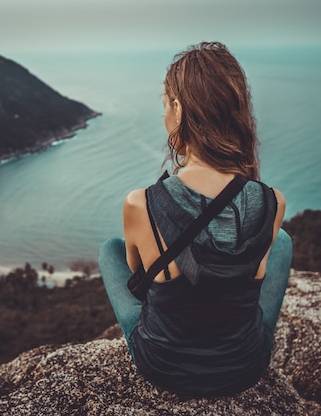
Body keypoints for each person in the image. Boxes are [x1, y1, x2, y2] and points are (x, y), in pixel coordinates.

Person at [98, 42, 293, 397]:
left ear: (177, 107)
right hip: (244, 368)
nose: (163, 115)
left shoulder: (140, 203)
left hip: (163, 366)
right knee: (281, 241)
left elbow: (136, 276)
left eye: (164, 104)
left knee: (110, 250)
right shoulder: (271, 202)